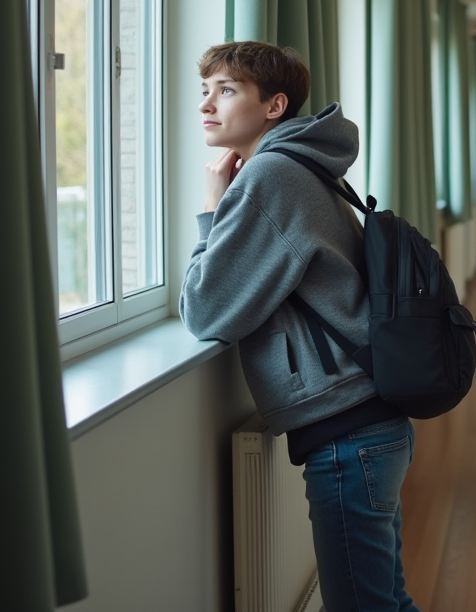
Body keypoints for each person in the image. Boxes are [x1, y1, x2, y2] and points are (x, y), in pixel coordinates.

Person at [180, 40, 421, 612]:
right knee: (386, 601)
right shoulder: (307, 164)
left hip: (348, 431)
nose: (206, 104)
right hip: (371, 422)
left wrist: (213, 210)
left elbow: (206, 310)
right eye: (205, 91)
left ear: (274, 105)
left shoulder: (271, 177)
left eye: (227, 90)